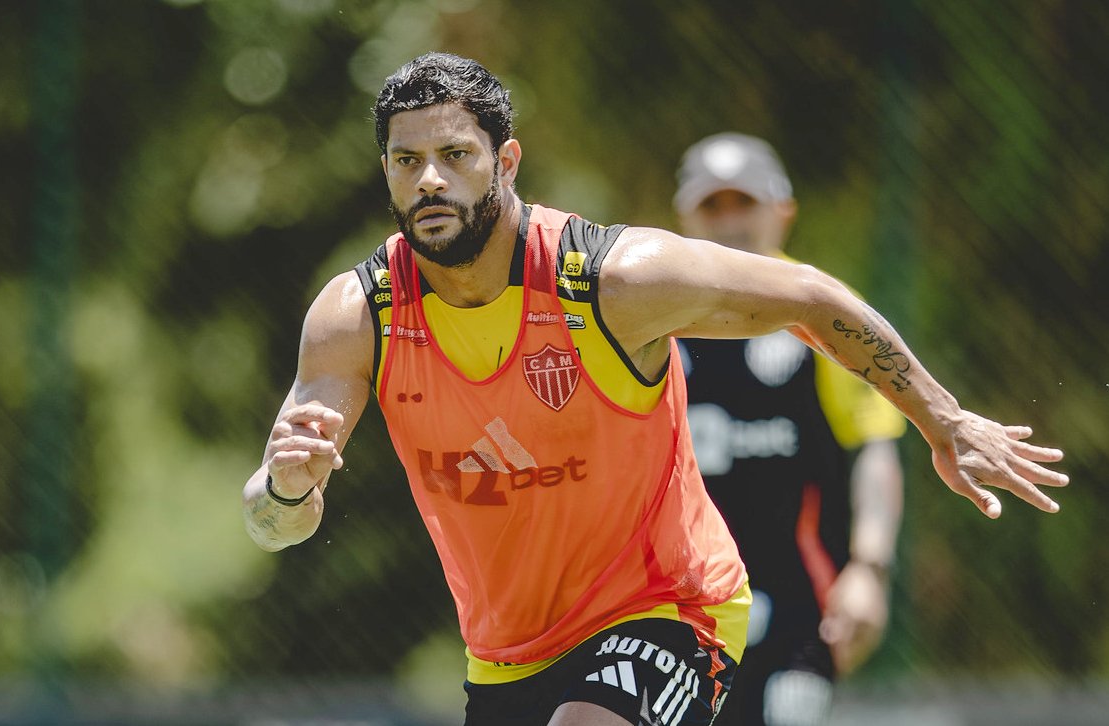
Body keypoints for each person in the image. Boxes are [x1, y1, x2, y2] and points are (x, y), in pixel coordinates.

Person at [241, 53, 1068, 726]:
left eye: (454, 155)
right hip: (504, 653)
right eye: (406, 159)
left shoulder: (608, 279)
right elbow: (279, 523)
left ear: (506, 160)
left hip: (669, 608)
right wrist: (284, 485)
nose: (429, 180)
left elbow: (812, 297)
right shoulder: (358, 315)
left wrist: (943, 420)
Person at [674, 133, 905, 726]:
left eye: (743, 203)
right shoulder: (653, 324)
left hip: (804, 609)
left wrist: (870, 570)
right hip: (677, 611)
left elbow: (872, 449)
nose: (729, 221)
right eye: (712, 206)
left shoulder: (828, 316)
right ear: (684, 216)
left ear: (784, 211)